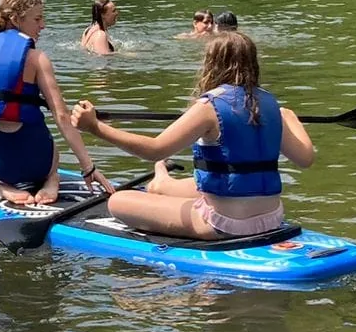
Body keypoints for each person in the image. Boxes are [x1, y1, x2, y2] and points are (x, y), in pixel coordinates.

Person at [74, 30, 313, 241]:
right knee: (199, 183)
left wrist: (95, 127)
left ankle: (161, 184)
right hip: (271, 218)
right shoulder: (271, 105)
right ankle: (162, 184)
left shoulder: (209, 107)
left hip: (224, 224)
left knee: (118, 201)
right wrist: (289, 117)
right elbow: (305, 159)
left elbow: (155, 150)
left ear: (212, 64)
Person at [0, 0, 108, 207]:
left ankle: (0, 184)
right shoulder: (37, 58)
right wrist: (88, 167)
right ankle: (52, 178)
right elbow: (61, 117)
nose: (43, 25)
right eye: (37, 19)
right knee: (51, 153)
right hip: (39, 162)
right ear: (15, 18)